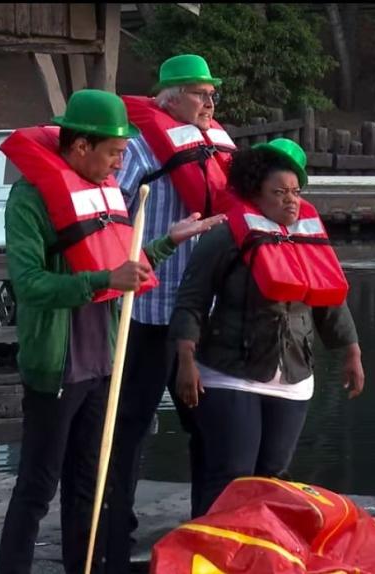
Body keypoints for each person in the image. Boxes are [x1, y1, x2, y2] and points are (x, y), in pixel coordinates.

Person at [0, 89, 221, 574]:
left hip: (104, 364)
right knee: (38, 485)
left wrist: (166, 242)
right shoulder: (30, 199)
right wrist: (104, 281)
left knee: (89, 485)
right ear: (80, 149)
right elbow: (30, 285)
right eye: (115, 152)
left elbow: (123, 262)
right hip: (58, 367)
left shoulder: (102, 191)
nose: (122, 163)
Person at [169, 138, 365, 516]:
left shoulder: (308, 237)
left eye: (295, 191)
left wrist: (351, 351)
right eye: (279, 192)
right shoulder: (224, 237)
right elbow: (191, 300)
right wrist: (185, 359)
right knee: (231, 476)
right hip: (230, 373)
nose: (290, 200)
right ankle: (212, 554)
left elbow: (330, 299)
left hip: (293, 375)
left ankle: (261, 554)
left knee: (273, 476)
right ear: (255, 194)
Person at [106, 53, 236, 565]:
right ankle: (116, 531)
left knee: (208, 427)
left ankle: (207, 528)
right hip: (145, 315)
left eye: (212, 94)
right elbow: (109, 223)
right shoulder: (138, 151)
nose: (210, 101)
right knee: (130, 428)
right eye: (200, 92)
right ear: (169, 98)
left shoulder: (215, 151)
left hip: (201, 318)